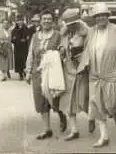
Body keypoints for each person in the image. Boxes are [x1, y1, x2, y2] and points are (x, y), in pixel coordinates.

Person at [80, 3, 116, 148]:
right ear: (94, 18)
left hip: (111, 72)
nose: (101, 18)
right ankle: (103, 136)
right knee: (97, 106)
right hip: (94, 74)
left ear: (108, 16)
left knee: (112, 103)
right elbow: (83, 44)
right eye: (98, 15)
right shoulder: (91, 31)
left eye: (103, 15)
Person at [26, 11, 67, 139]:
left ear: (53, 21)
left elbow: (63, 49)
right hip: (38, 72)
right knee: (41, 100)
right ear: (40, 21)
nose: (46, 21)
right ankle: (47, 129)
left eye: (49, 19)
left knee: (55, 98)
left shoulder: (58, 35)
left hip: (54, 72)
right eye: (44, 19)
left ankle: (61, 114)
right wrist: (28, 72)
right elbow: (30, 55)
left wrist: (61, 51)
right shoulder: (35, 36)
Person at [59, 8, 92, 140]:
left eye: (73, 23)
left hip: (83, 70)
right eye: (68, 24)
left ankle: (92, 118)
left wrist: (83, 57)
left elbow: (92, 50)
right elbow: (62, 46)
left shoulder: (87, 32)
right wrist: (62, 50)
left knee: (86, 98)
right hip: (69, 70)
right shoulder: (66, 32)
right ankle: (74, 130)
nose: (71, 26)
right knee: (68, 100)